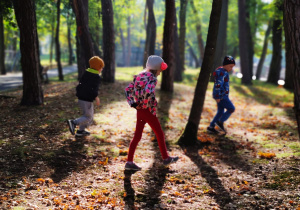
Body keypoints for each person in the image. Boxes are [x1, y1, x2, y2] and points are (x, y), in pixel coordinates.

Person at [124, 55, 179, 171]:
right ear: (156, 68)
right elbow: (148, 91)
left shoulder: (139, 76)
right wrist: (147, 103)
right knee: (159, 133)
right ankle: (166, 158)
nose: (160, 72)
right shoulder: (152, 78)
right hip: (148, 111)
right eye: (160, 69)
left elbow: (127, 90)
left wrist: (133, 103)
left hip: (140, 111)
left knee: (137, 136)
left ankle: (129, 162)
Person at [67, 56, 104, 137]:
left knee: (86, 116)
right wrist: (97, 98)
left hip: (81, 98)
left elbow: (82, 84)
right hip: (87, 100)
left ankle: (81, 131)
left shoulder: (86, 73)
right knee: (88, 117)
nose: (102, 69)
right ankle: (73, 122)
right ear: (98, 67)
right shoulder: (96, 77)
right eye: (101, 67)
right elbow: (94, 89)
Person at [207, 55, 236, 134]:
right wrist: (217, 96)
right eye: (230, 66)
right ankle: (220, 122)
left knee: (220, 112)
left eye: (232, 67)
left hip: (222, 95)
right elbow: (218, 85)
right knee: (231, 108)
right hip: (221, 96)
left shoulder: (224, 72)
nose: (231, 68)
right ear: (225, 64)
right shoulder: (221, 73)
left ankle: (211, 127)